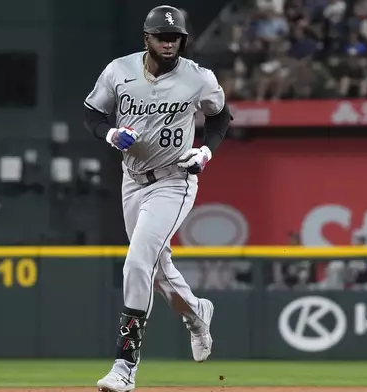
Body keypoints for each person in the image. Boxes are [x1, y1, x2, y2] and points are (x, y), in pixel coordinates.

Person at [82, 5, 233, 392]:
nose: (169, 43)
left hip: (174, 180)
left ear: (183, 40)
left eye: (175, 37)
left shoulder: (198, 78)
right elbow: (92, 114)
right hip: (131, 180)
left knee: (137, 263)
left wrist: (206, 151)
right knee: (160, 273)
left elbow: (220, 117)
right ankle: (197, 313)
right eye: (162, 36)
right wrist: (111, 134)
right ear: (146, 38)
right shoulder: (119, 70)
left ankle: (124, 366)